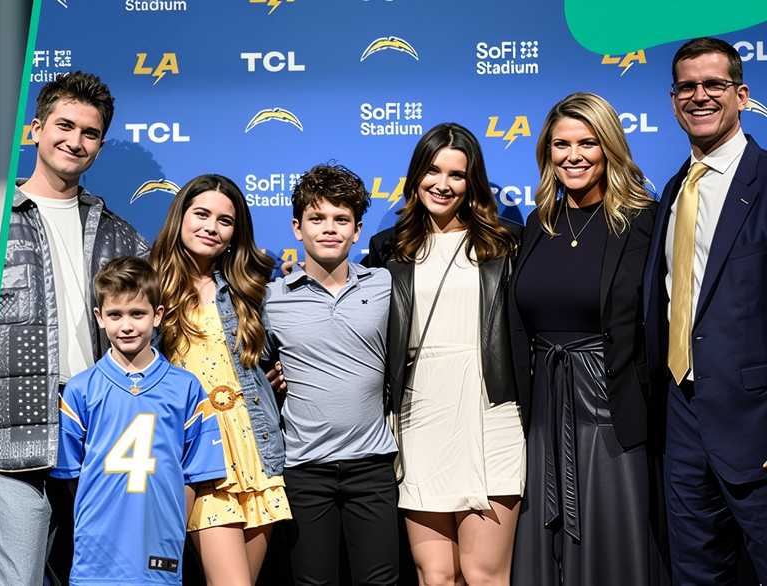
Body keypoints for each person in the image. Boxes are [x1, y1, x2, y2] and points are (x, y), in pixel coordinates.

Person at [0, 71, 149, 585]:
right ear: (35, 129)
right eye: (64, 126)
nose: (75, 141)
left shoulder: (121, 235)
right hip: (15, 436)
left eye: (90, 133)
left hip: (100, 433)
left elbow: (148, 343)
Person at [511, 93, 662, 585]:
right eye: (561, 144)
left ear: (610, 148)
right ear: (546, 152)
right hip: (542, 412)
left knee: (611, 544)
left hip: (609, 406)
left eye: (587, 143)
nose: (573, 156)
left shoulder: (643, 221)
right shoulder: (537, 224)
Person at [644, 37, 767, 584]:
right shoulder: (672, 191)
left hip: (756, 426)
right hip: (682, 422)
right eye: (686, 87)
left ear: (741, 94)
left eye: (713, 85)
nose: (700, 96)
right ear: (672, 101)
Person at [382, 123, 525, 585]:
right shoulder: (390, 248)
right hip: (419, 413)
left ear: (472, 182)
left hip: (491, 412)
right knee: (435, 573)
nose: (442, 184)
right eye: (432, 170)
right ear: (415, 175)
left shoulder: (507, 243)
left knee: (483, 573)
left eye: (456, 175)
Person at [51, 256, 226, 585]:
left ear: (157, 316)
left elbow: (195, 473)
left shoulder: (186, 387)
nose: (127, 325)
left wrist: (169, 525)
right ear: (99, 318)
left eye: (137, 314)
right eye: (115, 315)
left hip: (159, 551)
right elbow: (71, 476)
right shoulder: (80, 389)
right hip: (96, 556)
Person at [150, 174, 289, 586]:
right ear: (180, 218)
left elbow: (268, 360)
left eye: (224, 221)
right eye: (202, 214)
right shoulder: (153, 284)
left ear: (235, 234)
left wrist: (279, 376)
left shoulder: (251, 289)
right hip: (200, 454)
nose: (211, 227)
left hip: (257, 452)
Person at [264, 163, 400, 585]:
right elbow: (254, 370)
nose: (329, 229)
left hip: (372, 467)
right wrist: (269, 382)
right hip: (305, 469)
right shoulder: (271, 298)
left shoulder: (384, 285)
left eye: (341, 219)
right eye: (317, 218)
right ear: (296, 227)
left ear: (357, 231)